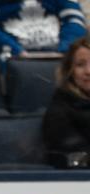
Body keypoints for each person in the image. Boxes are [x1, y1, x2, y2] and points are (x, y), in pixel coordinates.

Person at [0, 0, 88, 55]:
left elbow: (75, 21)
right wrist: (17, 52)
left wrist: (65, 50)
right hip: (13, 61)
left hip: (60, 56)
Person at [42, 35, 90, 166]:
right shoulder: (60, 109)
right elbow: (76, 157)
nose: (88, 71)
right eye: (80, 65)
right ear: (70, 71)